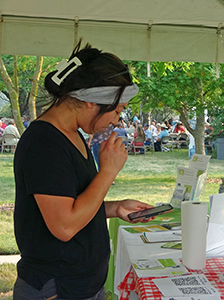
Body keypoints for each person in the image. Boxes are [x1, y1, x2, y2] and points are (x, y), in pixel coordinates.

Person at [13, 42, 155, 299]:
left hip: (80, 285)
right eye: (117, 110)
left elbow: (74, 204)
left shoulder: (73, 135)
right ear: (92, 101)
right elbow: (64, 226)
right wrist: (107, 172)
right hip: (56, 288)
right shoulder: (44, 143)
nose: (116, 120)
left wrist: (115, 208)